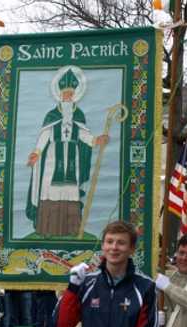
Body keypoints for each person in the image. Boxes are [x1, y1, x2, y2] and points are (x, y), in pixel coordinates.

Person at [26, 67, 110, 237]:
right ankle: (47, 229)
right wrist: (36, 153)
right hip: (52, 160)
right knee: (50, 190)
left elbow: (85, 136)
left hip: (72, 159)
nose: (68, 96)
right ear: (59, 93)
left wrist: (96, 141)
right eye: (65, 93)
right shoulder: (51, 115)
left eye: (71, 93)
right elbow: (44, 136)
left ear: (75, 94)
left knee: (70, 191)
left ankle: (71, 230)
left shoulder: (78, 115)